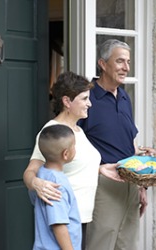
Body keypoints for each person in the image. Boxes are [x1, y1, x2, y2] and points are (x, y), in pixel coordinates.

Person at [23, 71, 121, 249]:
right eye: (84, 99)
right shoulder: (53, 133)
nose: (89, 104)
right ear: (67, 101)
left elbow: (73, 164)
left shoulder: (76, 129)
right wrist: (36, 183)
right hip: (63, 217)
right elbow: (30, 171)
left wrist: (101, 169)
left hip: (80, 217)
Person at [77, 39, 147, 250]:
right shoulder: (86, 98)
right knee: (100, 245)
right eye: (120, 61)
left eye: (128, 61)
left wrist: (141, 184)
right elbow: (72, 144)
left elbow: (130, 142)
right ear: (103, 64)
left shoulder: (125, 97)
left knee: (128, 245)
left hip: (131, 182)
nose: (126, 67)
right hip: (103, 186)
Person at [29, 124, 81, 250]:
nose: (75, 148)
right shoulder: (56, 185)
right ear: (66, 154)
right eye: (74, 145)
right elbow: (58, 224)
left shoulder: (40, 175)